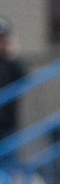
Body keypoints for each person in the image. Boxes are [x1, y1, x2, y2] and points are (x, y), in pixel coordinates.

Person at [0, 17, 22, 145]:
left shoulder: (10, 63)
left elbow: (24, 77)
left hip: (8, 123)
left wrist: (12, 55)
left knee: (9, 153)